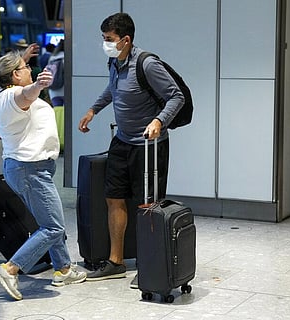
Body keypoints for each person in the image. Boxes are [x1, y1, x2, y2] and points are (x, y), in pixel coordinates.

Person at [77, 13, 185, 288]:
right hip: (123, 142)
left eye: (109, 39)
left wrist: (159, 121)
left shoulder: (147, 64)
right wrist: (93, 110)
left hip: (149, 146)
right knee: (114, 198)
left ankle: (150, 264)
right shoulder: (115, 61)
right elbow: (113, 90)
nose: (105, 44)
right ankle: (116, 262)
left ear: (126, 39)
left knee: (149, 206)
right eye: (103, 39)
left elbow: (176, 96)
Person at [0, 51, 86, 301]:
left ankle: (63, 268)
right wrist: (39, 84)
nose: (30, 69)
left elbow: (20, 86)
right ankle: (10, 269)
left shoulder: (3, 93)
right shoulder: (12, 96)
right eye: (26, 66)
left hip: (28, 168)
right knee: (53, 226)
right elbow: (25, 94)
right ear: (15, 75)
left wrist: (22, 59)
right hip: (30, 169)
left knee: (48, 221)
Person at [47, 39, 64, 106]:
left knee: (57, 112)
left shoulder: (52, 58)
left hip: (53, 90)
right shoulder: (68, 59)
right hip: (65, 90)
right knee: (67, 114)